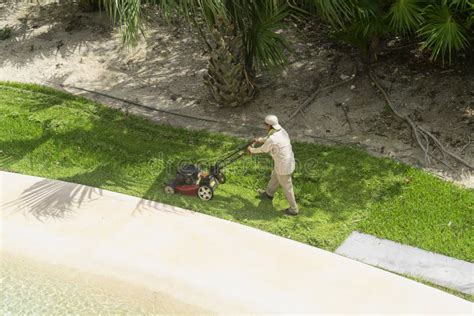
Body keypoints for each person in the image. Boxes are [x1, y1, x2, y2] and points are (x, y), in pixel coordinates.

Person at [248, 115, 299, 216]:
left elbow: (264, 149)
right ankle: (269, 194)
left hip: (284, 166)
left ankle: (294, 209)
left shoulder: (273, 138)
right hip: (285, 161)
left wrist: (252, 150)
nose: (265, 126)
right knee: (274, 177)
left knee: (287, 187)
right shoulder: (282, 131)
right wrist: (260, 139)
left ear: (269, 126)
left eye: (265, 125)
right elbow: (269, 139)